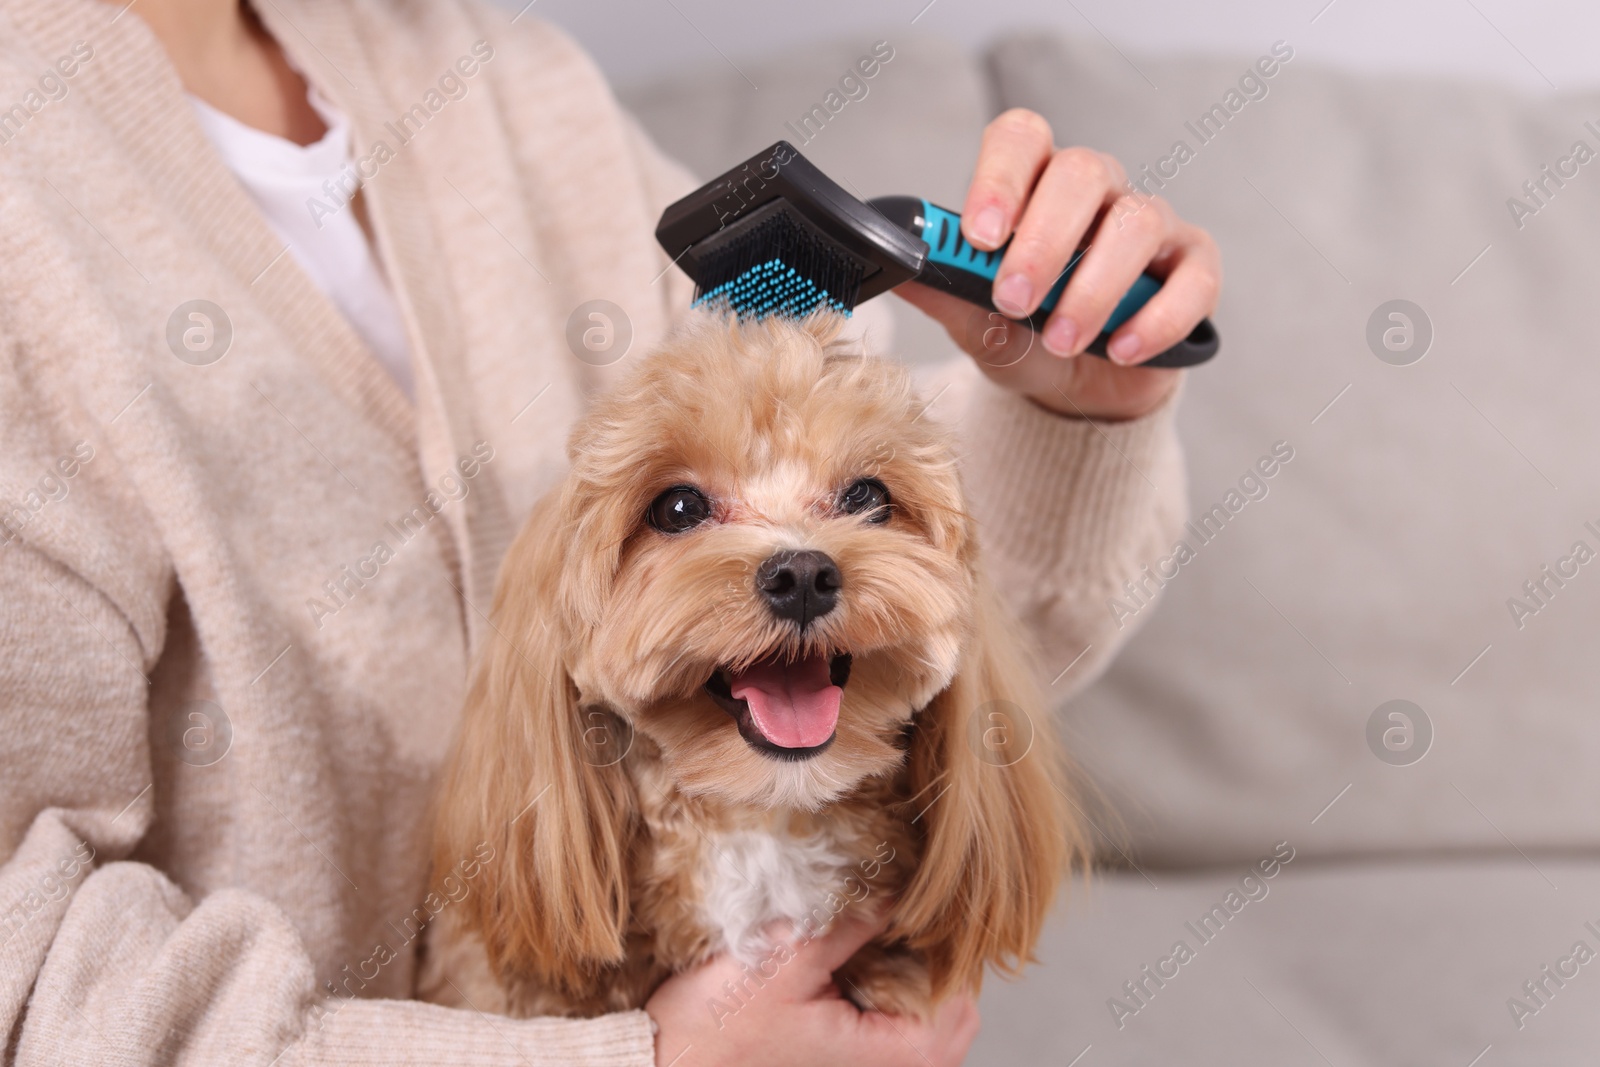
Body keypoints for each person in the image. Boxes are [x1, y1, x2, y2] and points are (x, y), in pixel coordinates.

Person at [0, 0, 1219, 1063]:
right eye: (684, 511)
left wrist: (1068, 413)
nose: (790, 552)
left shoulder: (520, 88)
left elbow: (929, 629)